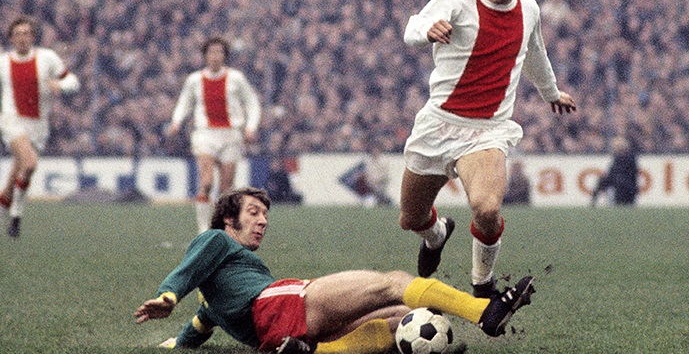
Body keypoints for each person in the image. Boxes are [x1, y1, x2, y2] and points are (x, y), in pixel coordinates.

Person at [134, 187, 536, 354]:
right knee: (393, 283)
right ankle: (485, 312)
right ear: (227, 219)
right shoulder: (215, 240)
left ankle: (311, 351)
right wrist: (168, 296)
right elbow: (187, 270)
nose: (263, 221)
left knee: (403, 318)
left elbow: (200, 324)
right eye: (253, 212)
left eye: (265, 215)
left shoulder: (215, 298)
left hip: (278, 331)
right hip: (280, 304)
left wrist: (175, 344)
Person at [400, 0, 576, 296]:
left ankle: (482, 284)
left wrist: (552, 93)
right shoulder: (457, 3)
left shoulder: (529, 10)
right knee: (411, 217)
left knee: (486, 209)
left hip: (487, 130)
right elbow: (413, 27)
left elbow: (535, 55)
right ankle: (436, 235)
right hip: (438, 124)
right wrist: (427, 31)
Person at [167, 37, 261, 233]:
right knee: (207, 181)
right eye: (211, 52)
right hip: (205, 134)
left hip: (231, 135)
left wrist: (251, 127)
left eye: (219, 52)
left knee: (226, 188)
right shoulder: (195, 79)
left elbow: (252, 102)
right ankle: (203, 230)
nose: (215, 56)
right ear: (205, 55)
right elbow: (184, 102)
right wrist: (176, 121)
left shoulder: (236, 78)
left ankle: (222, 229)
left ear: (225, 55)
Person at [0, 17, 80, 238]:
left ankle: (5, 205)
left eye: (26, 33)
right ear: (11, 39)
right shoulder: (3, 63)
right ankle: (16, 216)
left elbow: (73, 82)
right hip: (12, 121)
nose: (22, 38)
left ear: (33, 37)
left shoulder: (47, 58)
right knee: (30, 163)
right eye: (17, 34)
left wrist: (60, 86)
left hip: (38, 126)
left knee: (18, 172)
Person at [591, 136, 638, 207]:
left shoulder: (630, 158)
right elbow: (611, 172)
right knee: (602, 180)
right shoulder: (617, 157)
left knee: (619, 181)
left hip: (627, 182)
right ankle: (593, 201)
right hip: (617, 180)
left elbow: (631, 174)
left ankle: (617, 201)